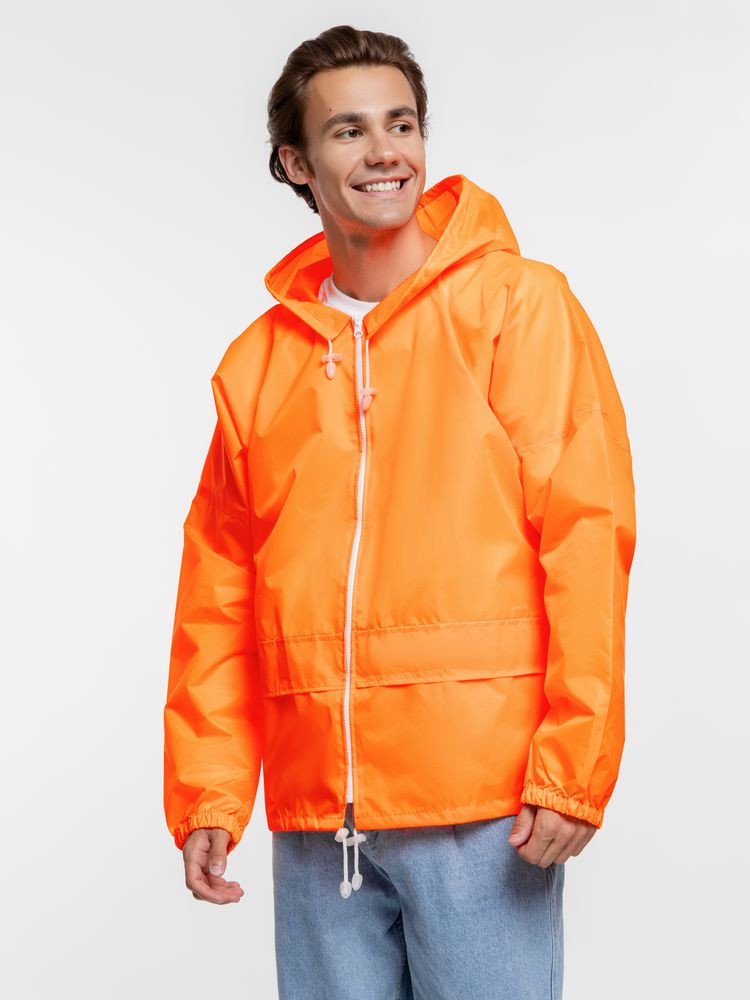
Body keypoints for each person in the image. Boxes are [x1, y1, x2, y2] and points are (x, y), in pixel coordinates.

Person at [163, 23, 637, 1000]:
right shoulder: (259, 365)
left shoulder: (516, 308)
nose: (386, 151)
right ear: (295, 162)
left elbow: (587, 536)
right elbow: (218, 592)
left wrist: (575, 763)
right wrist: (210, 788)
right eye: (349, 131)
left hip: (485, 809)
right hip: (317, 823)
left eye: (403, 123)